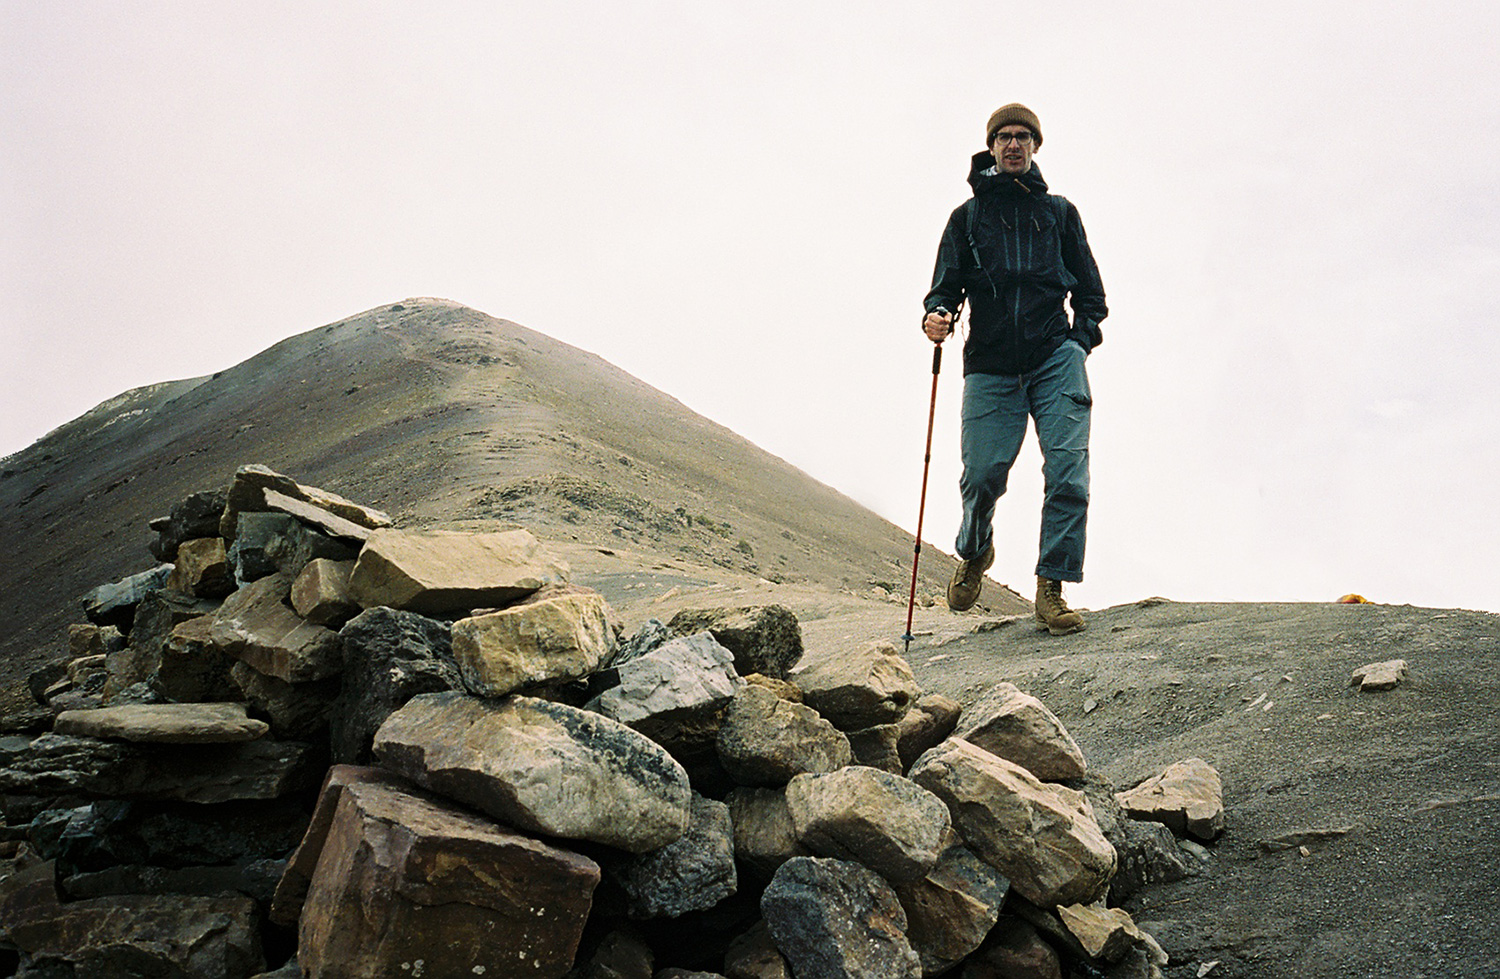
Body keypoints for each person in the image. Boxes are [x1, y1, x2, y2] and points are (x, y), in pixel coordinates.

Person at [922, 103, 1107, 635]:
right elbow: (944, 288)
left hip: (1055, 359)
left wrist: (1078, 342)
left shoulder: (1060, 213)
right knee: (981, 477)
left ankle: (1051, 587)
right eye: (1004, 136)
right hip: (991, 367)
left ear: (1036, 146)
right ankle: (975, 552)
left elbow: (1091, 294)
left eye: (1024, 136)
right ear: (991, 147)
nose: (1014, 144)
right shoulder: (968, 217)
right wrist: (937, 314)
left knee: (1069, 472)